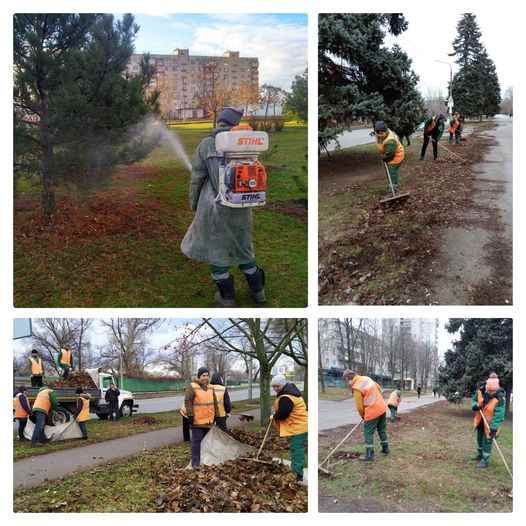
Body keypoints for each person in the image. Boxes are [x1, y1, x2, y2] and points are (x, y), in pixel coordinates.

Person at [181, 107, 266, 307]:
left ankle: (227, 298)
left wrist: (193, 203)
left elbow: (196, 178)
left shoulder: (207, 144)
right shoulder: (246, 142)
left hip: (214, 207)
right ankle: (259, 293)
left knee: (217, 250)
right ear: (236, 123)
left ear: (219, 121)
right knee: (243, 247)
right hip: (242, 205)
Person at [343, 369, 389, 461]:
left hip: (372, 411)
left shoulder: (356, 387)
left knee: (368, 432)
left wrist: (363, 416)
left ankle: (369, 455)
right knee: (382, 430)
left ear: (349, 378)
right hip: (382, 408)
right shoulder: (366, 378)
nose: (346, 382)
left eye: (346, 379)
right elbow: (379, 388)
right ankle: (385, 449)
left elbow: (359, 407)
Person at [270, 375, 308, 482]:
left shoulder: (287, 396)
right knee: (296, 449)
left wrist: (274, 416)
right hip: (298, 425)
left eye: (277, 386)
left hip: (299, 427)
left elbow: (283, 413)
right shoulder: (289, 392)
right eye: (273, 387)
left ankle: (297, 475)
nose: (275, 389)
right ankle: (296, 472)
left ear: (282, 385)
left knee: (297, 451)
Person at [184, 367, 218, 468]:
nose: (205, 378)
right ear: (199, 376)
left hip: (208, 421)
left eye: (207, 375)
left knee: (206, 442)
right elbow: (188, 401)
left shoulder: (211, 388)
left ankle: (205, 462)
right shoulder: (192, 387)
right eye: (203, 375)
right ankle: (195, 464)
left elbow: (214, 403)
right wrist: (190, 415)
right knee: (196, 443)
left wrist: (217, 416)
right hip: (197, 421)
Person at [471, 372, 506, 469]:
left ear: (496, 388)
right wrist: (476, 406)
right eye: (489, 390)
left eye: (492, 391)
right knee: (479, 439)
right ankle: (479, 455)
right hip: (480, 420)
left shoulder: (500, 397)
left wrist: (494, 428)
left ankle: (485, 460)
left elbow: (499, 414)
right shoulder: (481, 391)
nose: (490, 393)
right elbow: (473, 400)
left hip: (491, 424)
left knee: (487, 442)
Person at [374, 120, 405, 194]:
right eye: (378, 133)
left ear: (385, 130)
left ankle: (393, 187)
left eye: (382, 133)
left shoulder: (390, 141)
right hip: (389, 153)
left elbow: (390, 155)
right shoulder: (381, 134)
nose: (380, 135)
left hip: (396, 156)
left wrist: (384, 158)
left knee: (392, 171)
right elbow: (381, 143)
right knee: (389, 171)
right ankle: (392, 184)